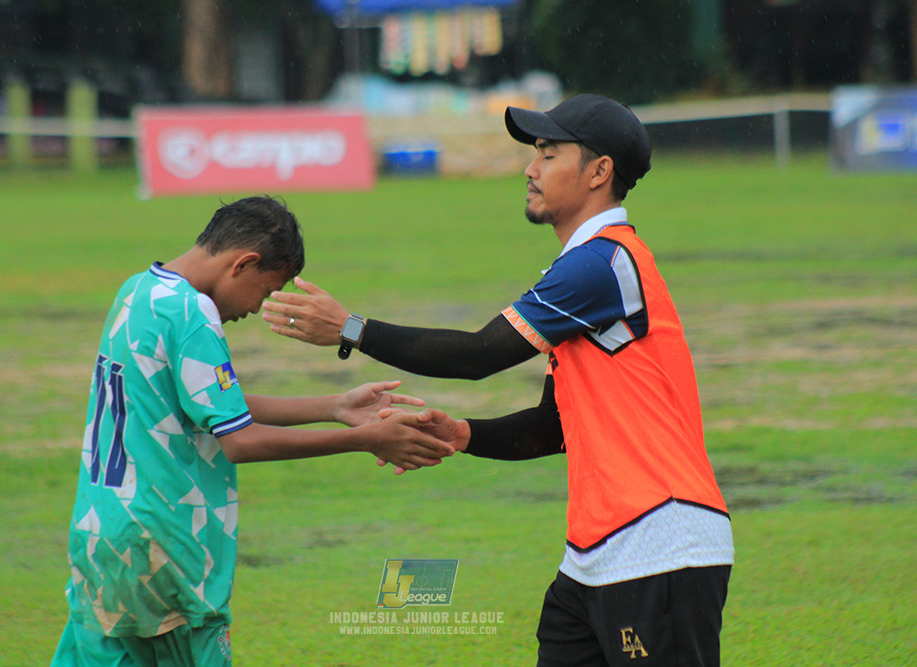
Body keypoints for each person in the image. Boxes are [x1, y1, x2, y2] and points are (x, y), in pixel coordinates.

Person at [261, 95, 734, 666]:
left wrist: (352, 328)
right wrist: (462, 433)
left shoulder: (603, 263)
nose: (531, 169)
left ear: (599, 172)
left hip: (661, 542)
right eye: (535, 153)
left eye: (549, 154)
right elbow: (551, 427)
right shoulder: (584, 268)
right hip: (595, 553)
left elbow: (480, 353)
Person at [51, 196, 453, 667]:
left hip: (101, 537)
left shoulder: (139, 291)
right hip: (163, 548)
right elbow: (239, 441)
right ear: (245, 263)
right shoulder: (193, 312)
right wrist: (364, 439)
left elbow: (208, 405)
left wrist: (336, 406)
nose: (256, 307)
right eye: (266, 290)